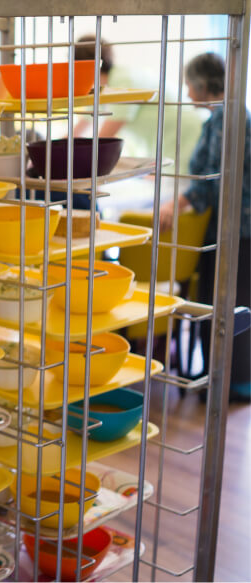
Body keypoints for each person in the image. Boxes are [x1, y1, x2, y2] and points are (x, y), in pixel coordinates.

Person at [160, 52, 250, 401]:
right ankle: (224, 378)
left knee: (224, 306)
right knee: (228, 304)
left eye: (188, 85)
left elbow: (213, 179)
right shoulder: (230, 114)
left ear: (201, 85)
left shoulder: (225, 118)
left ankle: (228, 383)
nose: (186, 92)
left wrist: (175, 203)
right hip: (234, 228)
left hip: (234, 231)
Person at [73, 35, 204, 174]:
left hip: (181, 131)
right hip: (166, 136)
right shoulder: (102, 85)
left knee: (176, 180)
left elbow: (104, 138)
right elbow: (84, 123)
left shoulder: (123, 80)